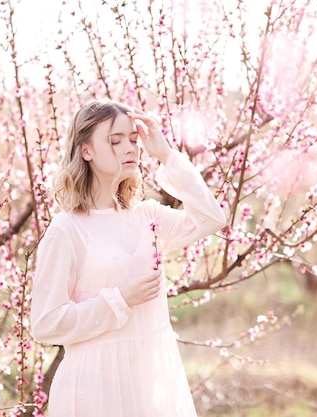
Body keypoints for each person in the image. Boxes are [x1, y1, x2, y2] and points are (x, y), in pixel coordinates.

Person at [30, 99, 226, 416]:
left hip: (147, 385)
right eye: (115, 140)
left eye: (133, 140)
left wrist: (165, 155)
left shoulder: (146, 217)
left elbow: (211, 218)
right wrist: (121, 299)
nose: (130, 149)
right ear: (86, 151)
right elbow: (45, 324)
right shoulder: (67, 229)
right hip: (92, 390)